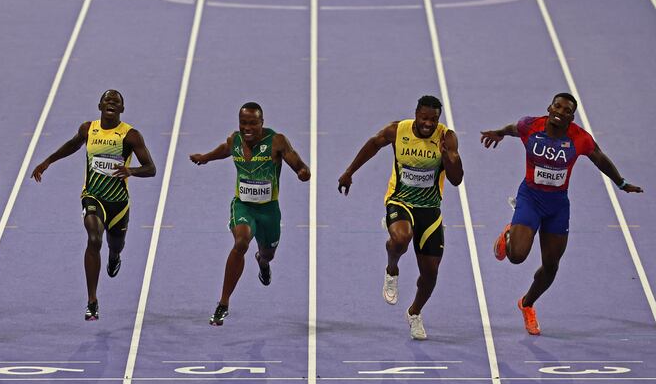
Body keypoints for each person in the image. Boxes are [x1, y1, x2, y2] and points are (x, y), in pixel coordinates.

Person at [480, 92, 642, 335]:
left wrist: (620, 183)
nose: (560, 111)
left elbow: (599, 158)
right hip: (530, 199)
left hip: (557, 206)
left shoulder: (579, 138)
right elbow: (514, 128)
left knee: (551, 267)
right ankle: (509, 236)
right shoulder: (530, 126)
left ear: (571, 116)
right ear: (549, 108)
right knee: (516, 256)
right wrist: (499, 133)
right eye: (557, 106)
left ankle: (527, 304)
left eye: (567, 110)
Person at [338, 95, 463, 340]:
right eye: (424, 118)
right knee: (401, 238)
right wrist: (349, 172)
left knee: (430, 273)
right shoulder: (398, 130)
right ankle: (392, 270)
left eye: (434, 119)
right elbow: (374, 144)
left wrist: (449, 156)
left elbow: (456, 180)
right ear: (416, 113)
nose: (428, 124)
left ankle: (414, 313)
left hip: (430, 209)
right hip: (400, 200)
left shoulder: (446, 137)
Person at [31, 90, 156, 320]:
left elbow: (151, 168)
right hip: (93, 196)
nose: (111, 103)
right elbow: (72, 145)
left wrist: (131, 170)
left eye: (116, 101)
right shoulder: (89, 129)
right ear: (99, 105)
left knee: (115, 244)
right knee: (94, 238)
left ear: (122, 109)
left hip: (118, 203)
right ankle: (92, 300)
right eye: (107, 100)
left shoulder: (130, 136)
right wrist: (47, 161)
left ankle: (114, 256)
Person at [190, 102, 310, 326]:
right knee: (241, 242)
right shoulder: (235, 140)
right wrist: (205, 157)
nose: (248, 128)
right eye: (243, 123)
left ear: (262, 123)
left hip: (269, 211)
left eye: (253, 123)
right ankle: (223, 303)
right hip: (243, 205)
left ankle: (262, 263)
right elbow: (224, 150)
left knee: (268, 254)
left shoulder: (276, 141)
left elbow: (296, 162)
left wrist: (302, 171)